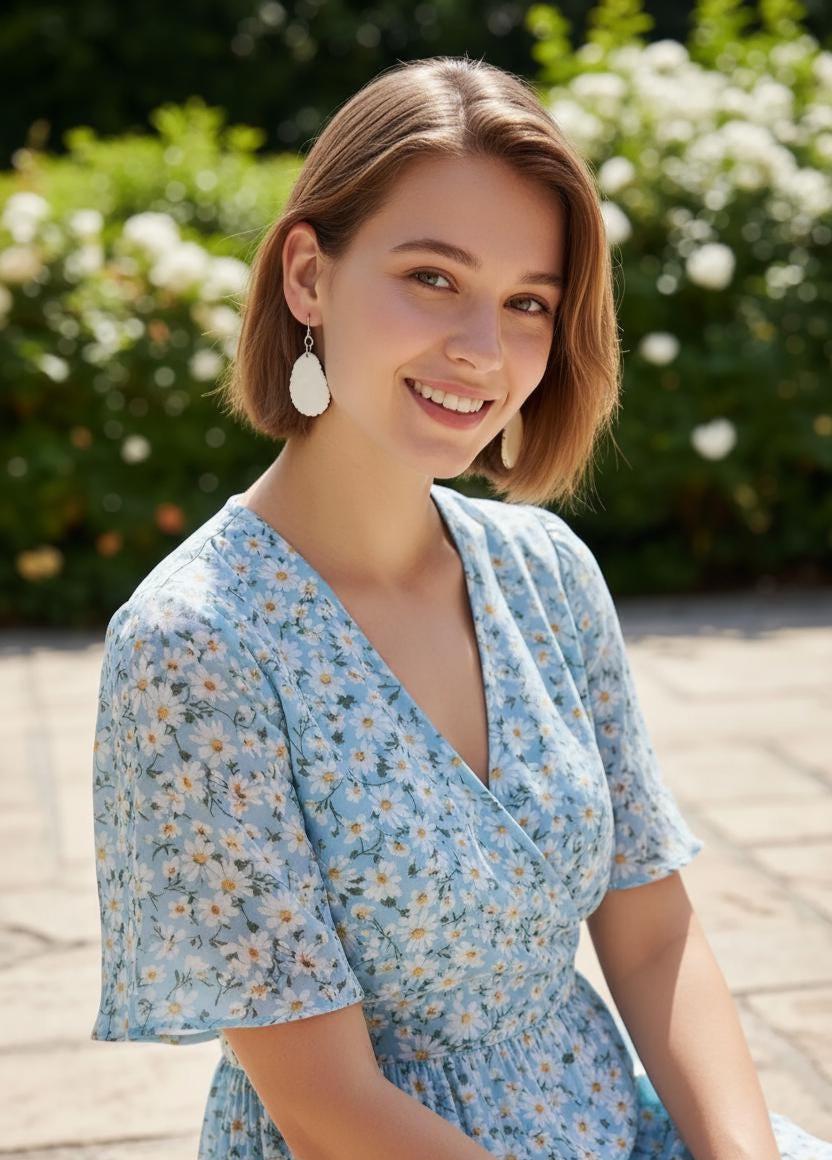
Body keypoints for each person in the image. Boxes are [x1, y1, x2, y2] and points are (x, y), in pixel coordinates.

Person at [90, 54, 831, 1160]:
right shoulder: (196, 645)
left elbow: (651, 935)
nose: (482, 350)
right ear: (307, 275)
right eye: (432, 277)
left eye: (527, 301)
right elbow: (326, 1102)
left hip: (601, 1120)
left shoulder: (544, 570)